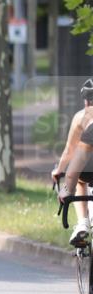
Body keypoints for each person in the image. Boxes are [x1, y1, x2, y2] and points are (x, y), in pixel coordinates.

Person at [54, 79, 93, 246]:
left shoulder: (81, 118)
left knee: (79, 179)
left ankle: (83, 222)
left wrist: (65, 186)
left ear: (86, 101)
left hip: (88, 170)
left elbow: (71, 152)